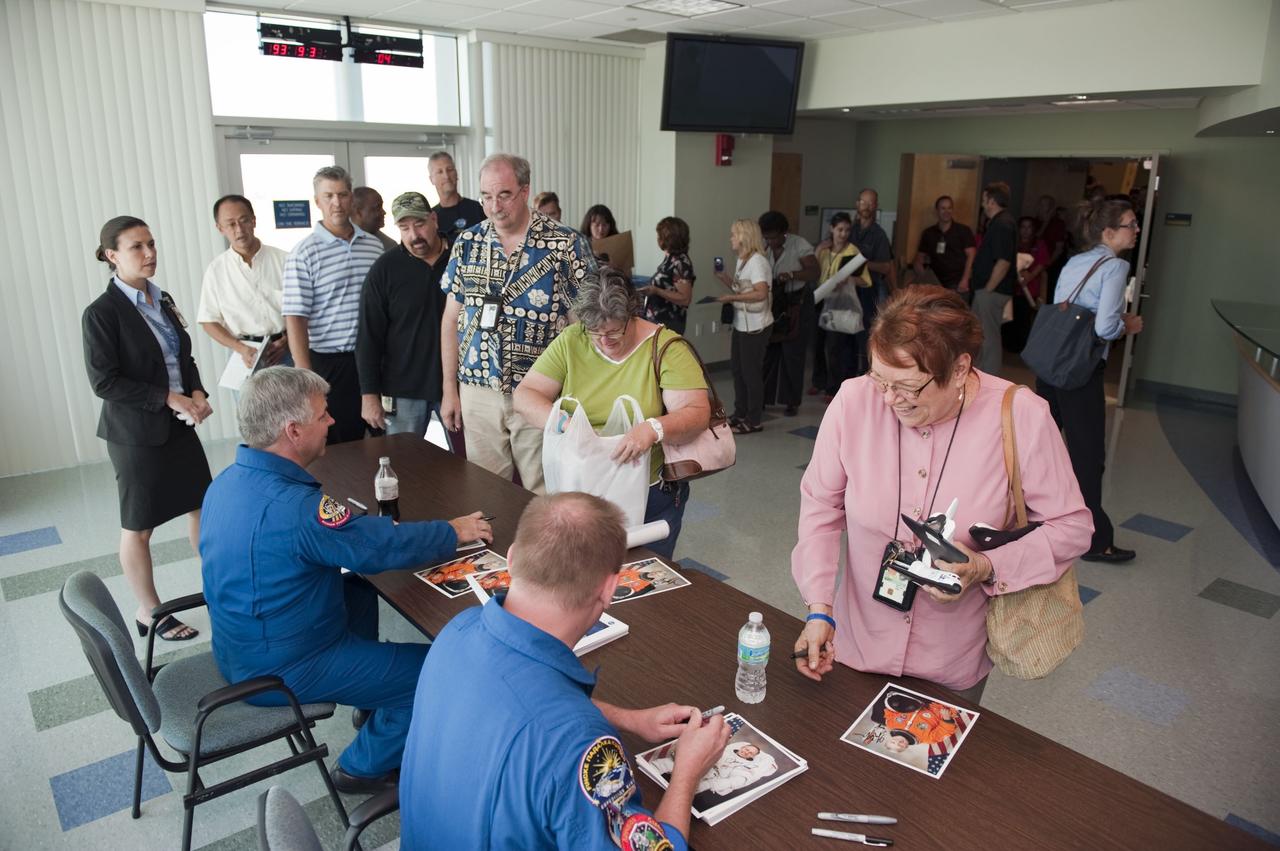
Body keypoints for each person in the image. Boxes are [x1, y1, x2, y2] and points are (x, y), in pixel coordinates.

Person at [791, 285, 1092, 703]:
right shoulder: (854, 401)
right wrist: (819, 607)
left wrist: (987, 565)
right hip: (858, 643)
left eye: (908, 387)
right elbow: (822, 508)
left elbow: (1072, 528)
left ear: (959, 368)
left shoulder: (1021, 415)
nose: (889, 399)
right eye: (879, 379)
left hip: (952, 659)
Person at [199, 366, 491, 793]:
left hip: (238, 646)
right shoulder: (296, 508)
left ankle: (373, 695)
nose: (332, 421)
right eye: (323, 416)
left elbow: (348, 545)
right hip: (284, 666)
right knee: (440, 670)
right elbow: (374, 549)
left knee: (355, 586)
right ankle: (362, 767)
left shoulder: (226, 482)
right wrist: (452, 532)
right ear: (293, 431)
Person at [399, 492, 730, 850]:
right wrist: (686, 772)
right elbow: (553, 727)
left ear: (511, 559)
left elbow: (524, 705)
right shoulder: (579, 744)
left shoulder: (460, 628)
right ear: (609, 589)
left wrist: (630, 719)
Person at [513, 268, 711, 559]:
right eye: (596, 333)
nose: (605, 340)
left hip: (648, 491)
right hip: (583, 488)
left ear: (633, 315)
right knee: (586, 573)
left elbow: (696, 414)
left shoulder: (666, 348)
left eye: (615, 331)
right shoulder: (573, 340)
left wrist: (652, 429)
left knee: (641, 577)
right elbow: (525, 395)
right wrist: (565, 425)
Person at [83, 216, 213, 641]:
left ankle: (218, 585)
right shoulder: (102, 313)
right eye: (137, 247)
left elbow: (181, 357)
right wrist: (167, 397)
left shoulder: (163, 299)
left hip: (179, 425)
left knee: (202, 507)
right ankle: (150, 611)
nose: (149, 253)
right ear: (111, 256)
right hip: (136, 435)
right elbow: (105, 381)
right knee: (139, 526)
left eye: (151, 243)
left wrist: (196, 392)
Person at [439, 153, 595, 492]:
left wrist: (578, 393)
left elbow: (581, 327)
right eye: (486, 196)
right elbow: (451, 320)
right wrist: (449, 390)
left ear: (525, 191)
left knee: (545, 490)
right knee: (485, 492)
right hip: (477, 389)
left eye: (504, 194)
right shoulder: (466, 244)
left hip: (540, 389)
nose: (494, 206)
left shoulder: (565, 244)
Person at [1035, 199, 1145, 564]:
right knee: (1087, 456)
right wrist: (1127, 325)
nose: (1137, 230)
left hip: (1052, 365)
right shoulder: (1115, 267)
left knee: (1043, 449)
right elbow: (1103, 327)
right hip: (1080, 371)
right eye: (1131, 224)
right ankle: (1096, 541)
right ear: (1109, 232)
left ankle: (1038, 522)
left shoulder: (1075, 262)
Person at [283, 165, 384, 444]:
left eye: (342, 194)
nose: (336, 203)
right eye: (328, 196)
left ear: (351, 198)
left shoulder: (373, 246)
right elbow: (295, 318)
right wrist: (306, 377)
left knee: (382, 439)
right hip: (330, 363)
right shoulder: (303, 253)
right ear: (317, 202)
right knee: (337, 443)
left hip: (374, 360)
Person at [356, 192, 449, 437]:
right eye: (404, 227)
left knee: (466, 464)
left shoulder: (460, 258)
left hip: (456, 386)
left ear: (434, 219)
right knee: (403, 465)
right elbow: (368, 336)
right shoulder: (384, 270)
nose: (414, 235)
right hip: (402, 389)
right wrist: (369, 395)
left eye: (419, 224)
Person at [197, 194, 290, 374]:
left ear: (254, 221)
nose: (239, 229)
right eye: (231, 224)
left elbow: (307, 308)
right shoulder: (216, 270)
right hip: (244, 356)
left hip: (286, 351)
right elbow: (208, 321)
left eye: (244, 220)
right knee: (249, 403)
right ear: (220, 228)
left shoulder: (285, 260)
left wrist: (288, 342)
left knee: (298, 403)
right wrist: (240, 348)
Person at [715, 218, 772, 435]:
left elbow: (760, 293)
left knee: (751, 372)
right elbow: (742, 289)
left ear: (744, 237)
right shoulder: (743, 259)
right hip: (743, 323)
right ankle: (740, 414)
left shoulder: (758, 262)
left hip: (756, 326)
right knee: (738, 370)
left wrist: (730, 296)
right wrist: (725, 279)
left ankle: (754, 419)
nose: (731, 238)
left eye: (734, 234)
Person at [758, 211, 818, 417]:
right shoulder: (763, 247)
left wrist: (792, 274)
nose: (770, 241)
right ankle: (763, 398)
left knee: (793, 354)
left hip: (797, 303)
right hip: (774, 303)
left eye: (774, 236)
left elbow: (814, 272)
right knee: (769, 353)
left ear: (784, 233)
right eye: (767, 237)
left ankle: (791, 401)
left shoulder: (799, 245)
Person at [815, 212, 872, 397]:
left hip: (840, 303)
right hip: (821, 298)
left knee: (836, 346)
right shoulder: (823, 250)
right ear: (832, 229)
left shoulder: (852, 251)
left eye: (847, 230)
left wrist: (849, 279)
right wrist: (817, 252)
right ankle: (819, 381)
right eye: (840, 229)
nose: (843, 234)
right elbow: (814, 273)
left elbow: (865, 280)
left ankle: (835, 387)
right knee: (818, 343)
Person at [970, 182, 1018, 376]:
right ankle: (980, 375)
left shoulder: (1002, 224)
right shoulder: (1000, 222)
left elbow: (1004, 262)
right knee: (981, 337)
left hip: (991, 291)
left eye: (984, 200)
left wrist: (987, 290)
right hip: (988, 290)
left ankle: (988, 380)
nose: (982, 204)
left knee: (988, 338)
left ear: (991, 200)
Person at [638, 216, 694, 335]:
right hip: (657, 321)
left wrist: (657, 291)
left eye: (660, 236)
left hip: (669, 322)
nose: (658, 239)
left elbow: (685, 299)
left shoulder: (680, 263)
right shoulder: (670, 258)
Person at [913, 195, 976, 293]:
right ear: (937, 211)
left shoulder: (963, 231)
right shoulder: (928, 233)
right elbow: (919, 258)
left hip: (957, 284)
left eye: (949, 208)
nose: (947, 211)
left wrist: (965, 280)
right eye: (943, 208)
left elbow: (971, 255)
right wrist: (925, 278)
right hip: (936, 285)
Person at [428, 150, 485, 245]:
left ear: (456, 173)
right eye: (440, 172)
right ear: (431, 179)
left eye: (449, 170)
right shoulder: (431, 218)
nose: (446, 176)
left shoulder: (479, 209)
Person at [1034, 195, 1068, 301]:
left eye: (1045, 205)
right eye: (1041, 205)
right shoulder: (1035, 222)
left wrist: (1047, 264)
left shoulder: (1058, 224)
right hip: (1035, 265)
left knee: (1048, 295)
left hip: (1052, 265)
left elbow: (1059, 249)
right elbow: (1035, 238)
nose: (1042, 208)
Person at [351, 186, 398, 253]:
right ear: (358, 212)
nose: (384, 212)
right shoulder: (339, 244)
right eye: (377, 208)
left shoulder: (389, 246)